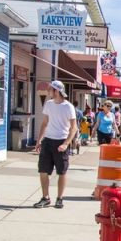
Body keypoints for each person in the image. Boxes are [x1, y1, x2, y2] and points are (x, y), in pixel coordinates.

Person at [33, 80, 77, 209]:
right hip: (48, 140)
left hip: (61, 141)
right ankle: (45, 198)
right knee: (43, 170)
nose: (48, 91)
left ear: (56, 91)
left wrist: (66, 143)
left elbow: (73, 128)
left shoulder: (68, 106)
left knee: (61, 172)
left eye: (50, 89)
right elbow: (45, 123)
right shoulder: (49, 104)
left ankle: (59, 198)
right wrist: (39, 140)